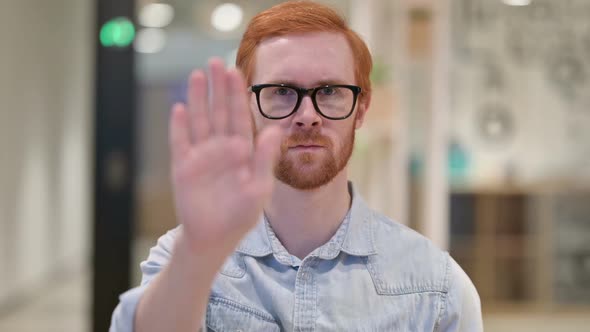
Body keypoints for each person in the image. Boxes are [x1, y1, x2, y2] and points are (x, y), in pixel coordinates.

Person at [110, 1, 482, 331]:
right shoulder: (186, 257)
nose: (307, 117)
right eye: (282, 91)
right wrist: (198, 254)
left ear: (361, 109)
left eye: (331, 92)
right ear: (247, 106)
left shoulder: (437, 289)